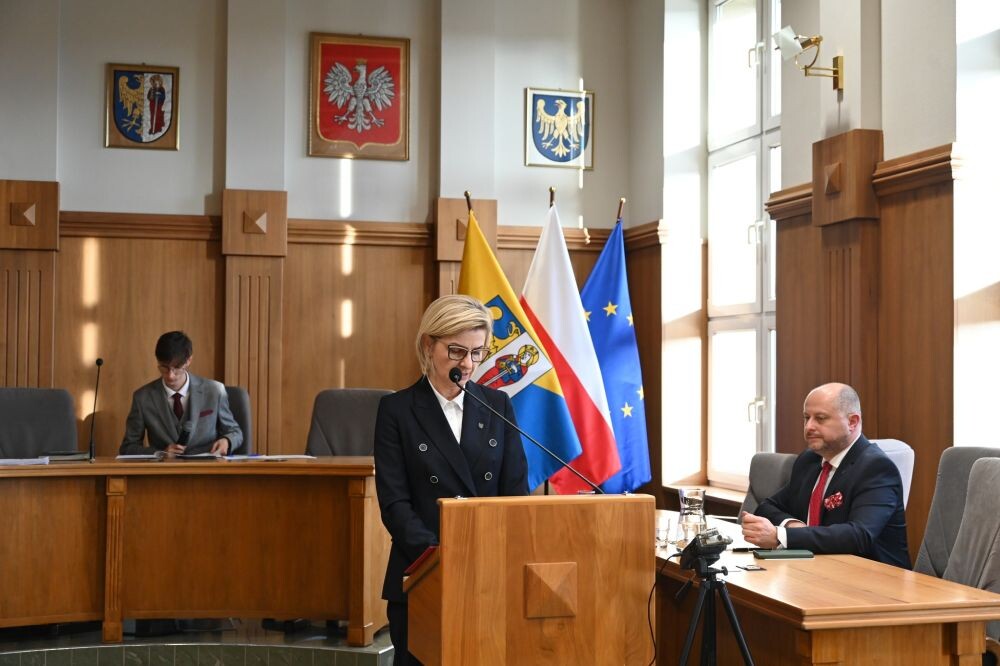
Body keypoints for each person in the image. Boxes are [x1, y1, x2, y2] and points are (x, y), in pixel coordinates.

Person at [374, 295, 529, 665]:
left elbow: (515, 494)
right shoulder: (397, 410)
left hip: (490, 576)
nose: (468, 364)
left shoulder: (498, 406)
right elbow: (395, 505)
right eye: (457, 351)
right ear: (429, 344)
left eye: (477, 353)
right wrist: (442, 559)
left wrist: (491, 557)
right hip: (424, 574)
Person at [740, 382, 910, 569]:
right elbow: (767, 507)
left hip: (875, 580)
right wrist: (793, 525)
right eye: (806, 418)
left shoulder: (875, 467)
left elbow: (859, 536)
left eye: (820, 419)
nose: (809, 426)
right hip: (819, 570)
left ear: (852, 422)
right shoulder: (810, 460)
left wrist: (781, 536)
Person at [119, 331, 242, 456]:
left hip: (207, 470)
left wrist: (227, 441)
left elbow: (234, 432)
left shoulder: (215, 391)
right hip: (164, 472)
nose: (170, 376)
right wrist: (160, 453)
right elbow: (128, 447)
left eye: (177, 368)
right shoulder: (142, 398)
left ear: (188, 360)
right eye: (164, 368)